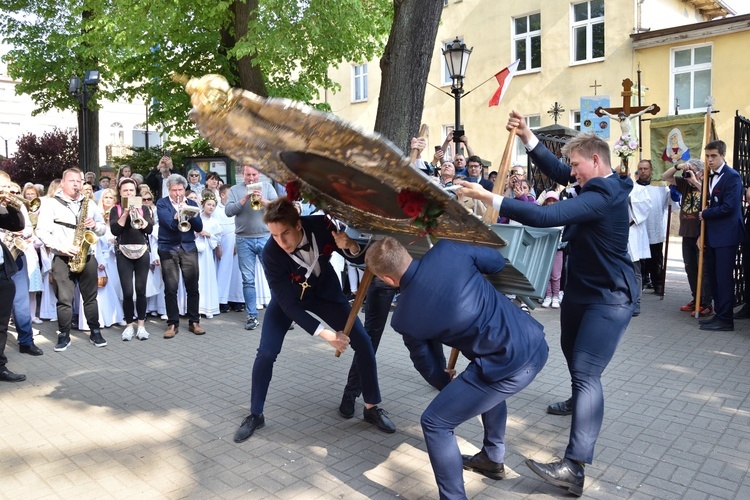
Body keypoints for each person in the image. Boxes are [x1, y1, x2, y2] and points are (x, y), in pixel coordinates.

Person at [459, 110, 637, 497]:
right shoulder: (593, 182)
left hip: (610, 297)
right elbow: (558, 172)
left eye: (576, 165)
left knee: (587, 372)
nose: (571, 172)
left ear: (595, 161)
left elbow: (546, 215)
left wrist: (491, 197)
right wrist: (527, 136)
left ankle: (574, 467)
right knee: (573, 356)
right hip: (581, 290)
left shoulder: (604, 194)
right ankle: (580, 402)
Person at [364, 236, 548, 499]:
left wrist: (443, 381)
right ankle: (492, 458)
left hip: (506, 367)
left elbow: (426, 363)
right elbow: (496, 262)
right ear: (405, 252)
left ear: (387, 280)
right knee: (487, 386)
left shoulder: (403, 316)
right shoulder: (447, 249)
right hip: (535, 343)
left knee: (435, 422)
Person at [233, 198, 395, 443]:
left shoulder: (322, 225)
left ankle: (371, 407)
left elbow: (357, 258)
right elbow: (288, 306)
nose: (281, 241)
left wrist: (350, 246)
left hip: (326, 295)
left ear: (298, 224)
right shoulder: (270, 253)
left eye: (285, 233)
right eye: (275, 235)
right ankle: (255, 414)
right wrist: (326, 335)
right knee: (266, 353)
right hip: (288, 301)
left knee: (363, 342)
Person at [35, 168, 109, 351]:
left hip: (87, 255)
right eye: (72, 181)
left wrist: (96, 226)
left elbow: (102, 229)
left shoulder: (89, 203)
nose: (76, 184)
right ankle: (63, 335)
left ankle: (95, 331)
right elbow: (42, 231)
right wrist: (61, 247)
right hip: (62, 257)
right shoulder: (51, 204)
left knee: (91, 298)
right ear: (62, 182)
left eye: (79, 181)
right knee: (64, 299)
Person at [698, 140, 745, 332]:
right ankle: (719, 313)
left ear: (723, 155)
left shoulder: (732, 177)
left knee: (724, 278)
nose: (709, 160)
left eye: (713, 156)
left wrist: (705, 214)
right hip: (713, 235)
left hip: (727, 235)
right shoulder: (710, 176)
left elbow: (730, 207)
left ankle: (726, 319)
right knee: (715, 278)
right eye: (707, 156)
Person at [224, 164, 278, 330]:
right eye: (248, 175)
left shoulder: (268, 187)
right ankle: (252, 316)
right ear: (243, 174)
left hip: (265, 237)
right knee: (248, 280)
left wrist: (263, 200)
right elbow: (228, 211)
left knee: (274, 278)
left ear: (259, 174)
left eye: (254, 175)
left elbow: (278, 209)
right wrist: (244, 199)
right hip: (243, 240)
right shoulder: (235, 189)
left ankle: (280, 314)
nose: (251, 178)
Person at [662, 158, 714, 316]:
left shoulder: (708, 182)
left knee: (703, 269)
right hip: (687, 232)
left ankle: (706, 302)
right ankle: (695, 298)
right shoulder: (684, 182)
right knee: (690, 267)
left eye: (693, 170)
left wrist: (696, 181)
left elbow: (710, 196)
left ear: (700, 172)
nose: (689, 173)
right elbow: (665, 176)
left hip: (702, 232)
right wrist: (679, 166)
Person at [155, 173, 205, 338]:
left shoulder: (191, 203)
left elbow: (198, 227)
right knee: (171, 287)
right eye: (175, 190)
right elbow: (169, 224)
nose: (178, 193)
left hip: (188, 246)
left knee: (192, 286)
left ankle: (194, 321)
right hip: (168, 247)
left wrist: (193, 212)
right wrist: (179, 212)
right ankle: (172, 323)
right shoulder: (162, 203)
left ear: (185, 189)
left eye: (181, 189)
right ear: (169, 190)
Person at [111, 178, 154, 341]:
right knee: (128, 291)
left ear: (135, 192)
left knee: (141, 290)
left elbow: (149, 229)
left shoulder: (144, 208)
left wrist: (138, 214)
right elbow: (115, 230)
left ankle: (141, 326)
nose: (128, 193)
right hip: (124, 252)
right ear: (120, 193)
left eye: (131, 190)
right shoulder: (116, 209)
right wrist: (127, 213)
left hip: (142, 251)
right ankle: (129, 325)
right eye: (125, 191)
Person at [0, 171, 31, 381]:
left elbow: (17, 224)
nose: (5, 190)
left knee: (1, 325)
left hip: (2, 271)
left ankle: (0, 366)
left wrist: (11, 202)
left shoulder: (2, 207)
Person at [636, 160, 669, 296]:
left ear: (651, 170)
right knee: (640, 259)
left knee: (656, 259)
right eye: (641, 168)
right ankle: (641, 281)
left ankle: (658, 284)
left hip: (654, 227)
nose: (643, 171)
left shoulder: (660, 187)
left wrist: (673, 193)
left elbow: (670, 202)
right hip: (638, 229)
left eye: (646, 168)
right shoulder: (632, 187)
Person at [196, 193, 222, 318]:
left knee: (207, 277)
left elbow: (217, 238)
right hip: (196, 251)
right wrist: (197, 233)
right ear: (203, 205)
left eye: (213, 205)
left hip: (207, 253)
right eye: (209, 204)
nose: (211, 207)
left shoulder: (214, 222)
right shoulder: (197, 218)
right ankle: (197, 307)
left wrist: (209, 235)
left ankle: (208, 307)